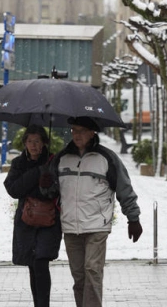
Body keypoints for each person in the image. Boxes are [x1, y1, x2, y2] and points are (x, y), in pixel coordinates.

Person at [49, 116, 142, 307]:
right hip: (70, 226)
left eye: (82, 131)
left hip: (97, 226)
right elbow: (52, 192)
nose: (77, 135)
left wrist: (133, 218)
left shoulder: (107, 158)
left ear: (92, 133)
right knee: (79, 277)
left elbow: (124, 189)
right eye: (74, 130)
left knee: (92, 271)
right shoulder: (62, 158)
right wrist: (45, 184)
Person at [3, 125, 61, 307]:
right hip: (26, 221)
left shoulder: (53, 162)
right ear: (25, 143)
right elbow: (14, 189)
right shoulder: (18, 164)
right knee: (32, 264)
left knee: (41, 262)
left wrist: (48, 185)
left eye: (37, 141)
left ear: (44, 143)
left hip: (48, 220)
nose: (34, 145)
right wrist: (36, 173)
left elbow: (59, 190)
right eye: (30, 141)